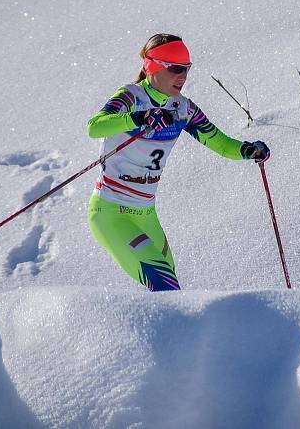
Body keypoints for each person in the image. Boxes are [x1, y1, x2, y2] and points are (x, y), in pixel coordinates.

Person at [86, 34, 270, 291]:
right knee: (166, 287)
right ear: (152, 67)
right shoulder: (132, 97)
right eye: (175, 68)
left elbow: (219, 143)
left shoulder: (182, 109)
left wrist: (247, 150)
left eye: (186, 69)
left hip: (146, 215)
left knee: (173, 295)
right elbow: (95, 127)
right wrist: (138, 118)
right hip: (112, 213)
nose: (182, 76)